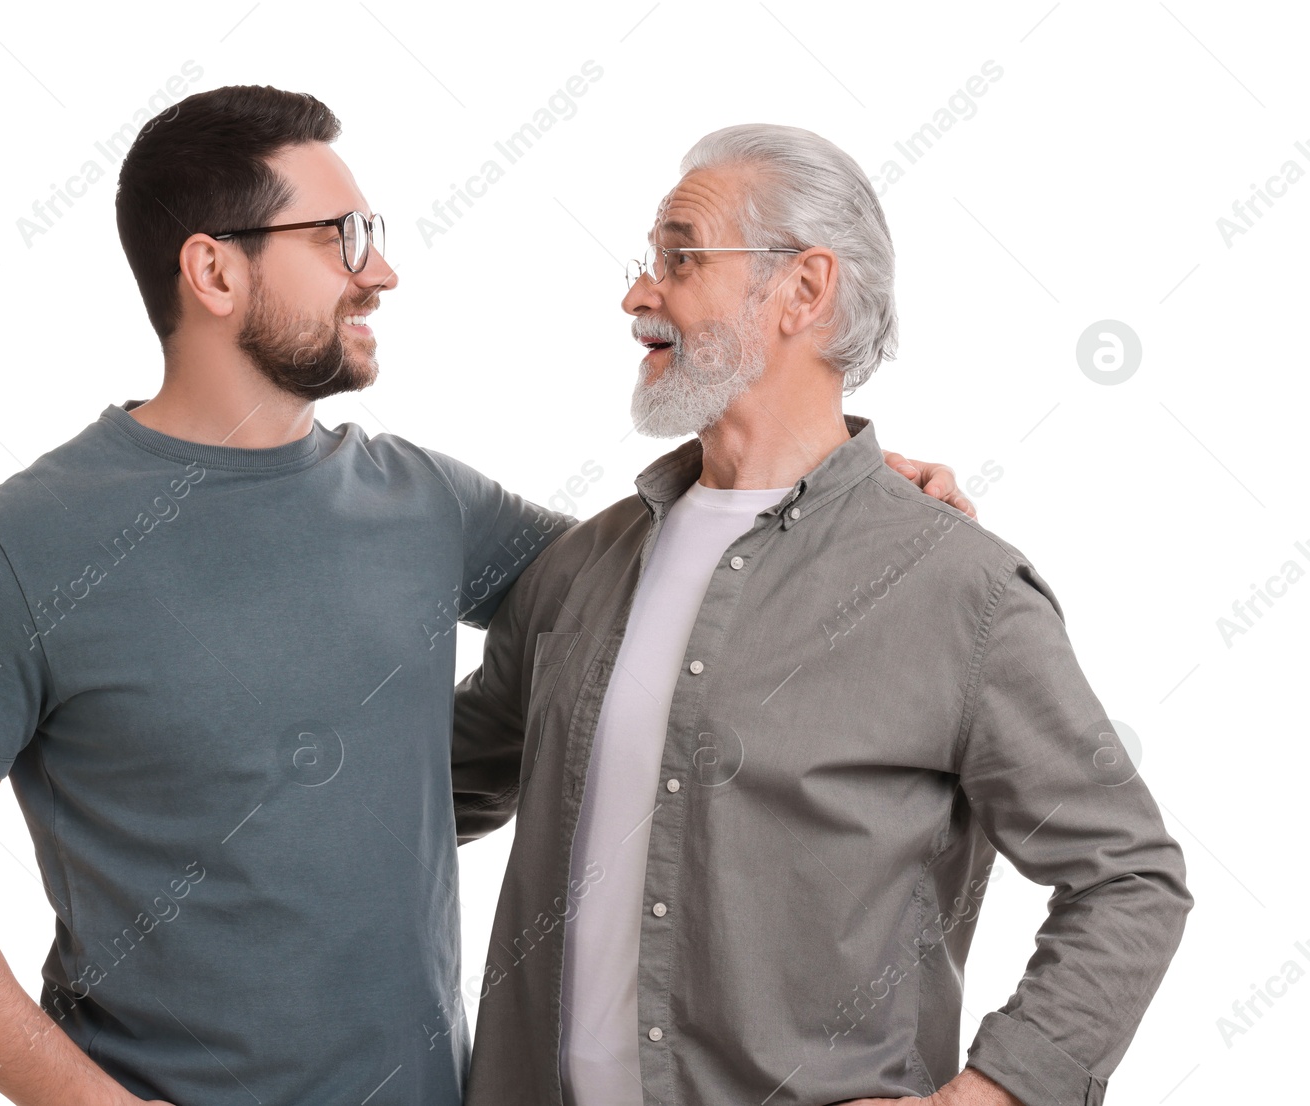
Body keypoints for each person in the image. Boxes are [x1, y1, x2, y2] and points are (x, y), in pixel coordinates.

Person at [0, 87, 970, 1106]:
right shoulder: (20, 546)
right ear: (214, 270)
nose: (381, 268)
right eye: (341, 237)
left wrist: (845, 496)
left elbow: (674, 593)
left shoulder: (425, 503)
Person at [452, 124, 1192, 1106]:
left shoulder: (953, 587)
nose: (638, 293)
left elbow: (1127, 875)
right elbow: (405, 802)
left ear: (804, 290)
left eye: (680, 256)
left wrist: (992, 1093)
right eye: (646, 262)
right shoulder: (577, 570)